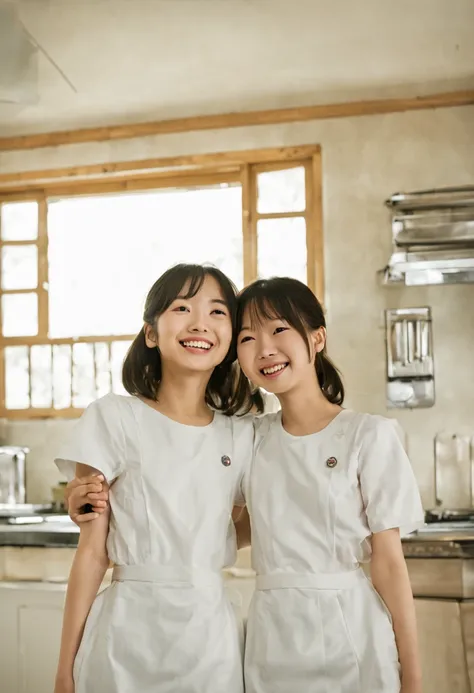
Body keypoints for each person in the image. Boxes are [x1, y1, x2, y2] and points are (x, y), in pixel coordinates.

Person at [53, 263, 259, 693]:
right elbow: (92, 554)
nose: (200, 322)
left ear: (232, 340)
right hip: (126, 636)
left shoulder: (242, 434)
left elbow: (235, 526)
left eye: (218, 312)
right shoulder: (114, 417)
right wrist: (64, 669)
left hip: (209, 641)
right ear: (151, 333)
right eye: (182, 307)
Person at [235, 277, 424, 693]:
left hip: (352, 634)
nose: (265, 348)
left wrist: (412, 676)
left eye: (279, 329)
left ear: (317, 337)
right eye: (248, 337)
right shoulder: (249, 439)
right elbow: (237, 528)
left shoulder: (368, 436)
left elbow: (390, 564)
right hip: (272, 635)